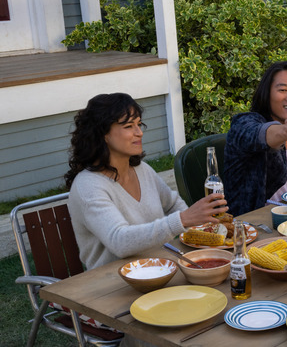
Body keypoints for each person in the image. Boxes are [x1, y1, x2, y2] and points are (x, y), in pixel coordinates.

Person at [65, 93, 227, 271]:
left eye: (139, 124)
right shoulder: (88, 186)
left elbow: (173, 204)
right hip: (112, 284)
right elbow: (119, 242)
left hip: (159, 268)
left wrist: (198, 228)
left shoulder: (142, 169)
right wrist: (183, 220)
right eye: (129, 126)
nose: (139, 132)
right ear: (103, 134)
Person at [223, 61, 287, 215]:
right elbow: (256, 134)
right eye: (282, 89)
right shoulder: (244, 123)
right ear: (266, 93)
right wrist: (284, 132)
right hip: (253, 223)